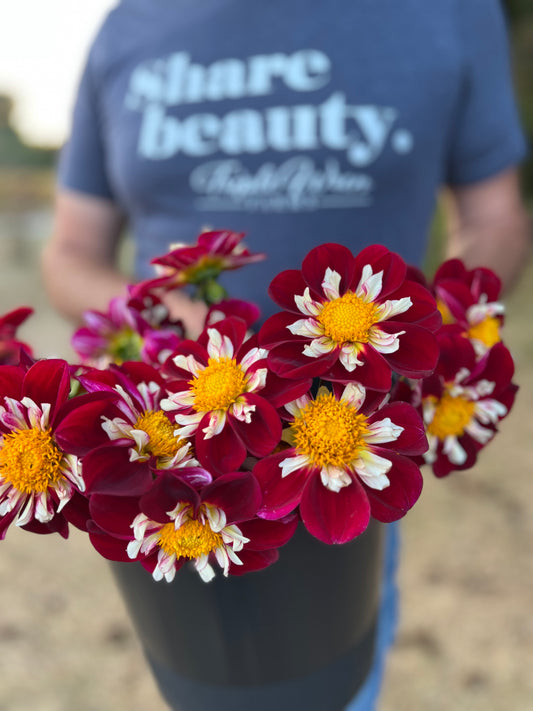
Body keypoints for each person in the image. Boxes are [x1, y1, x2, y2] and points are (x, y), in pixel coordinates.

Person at [43, 1, 530, 709]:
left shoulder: (449, 12)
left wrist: (434, 328)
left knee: (328, 684)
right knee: (201, 681)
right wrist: (175, 318)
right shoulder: (128, 25)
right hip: (170, 448)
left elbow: (494, 220)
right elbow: (70, 252)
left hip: (352, 451)